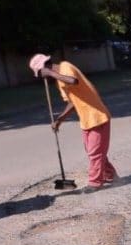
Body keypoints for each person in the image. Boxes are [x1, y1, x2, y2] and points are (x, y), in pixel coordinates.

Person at [29, 53, 117, 191]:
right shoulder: (59, 82)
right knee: (93, 151)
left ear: (44, 66)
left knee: (95, 153)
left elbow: (73, 81)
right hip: (86, 119)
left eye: (40, 73)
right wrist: (60, 120)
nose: (41, 76)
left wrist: (51, 73)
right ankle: (110, 175)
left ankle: (95, 183)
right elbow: (72, 102)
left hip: (97, 116)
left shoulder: (65, 66)